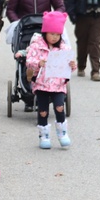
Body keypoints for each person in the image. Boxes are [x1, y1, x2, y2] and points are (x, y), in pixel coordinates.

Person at [25, 11, 77, 149]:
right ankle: (44, 135)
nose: (54, 37)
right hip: (42, 83)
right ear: (45, 32)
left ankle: (62, 133)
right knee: (43, 110)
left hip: (58, 84)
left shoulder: (64, 47)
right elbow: (29, 61)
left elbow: (69, 66)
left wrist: (72, 65)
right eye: (51, 34)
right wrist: (38, 63)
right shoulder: (37, 46)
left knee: (59, 107)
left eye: (57, 34)